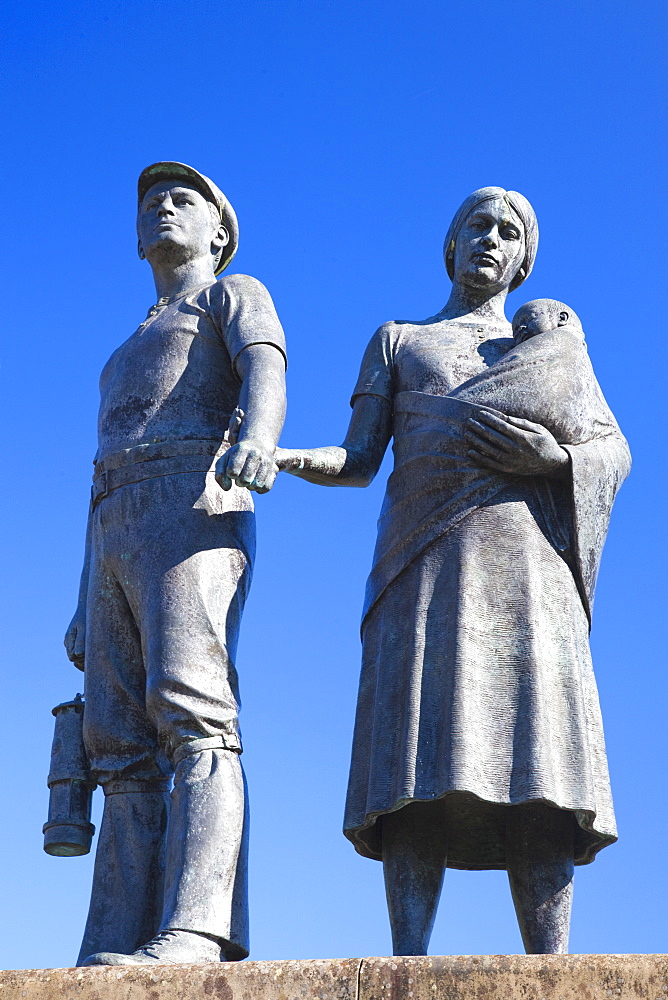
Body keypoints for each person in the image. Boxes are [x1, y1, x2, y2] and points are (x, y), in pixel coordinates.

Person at [272, 188, 630, 955]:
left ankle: (552, 968)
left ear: (525, 259)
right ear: (451, 243)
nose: (491, 240)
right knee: (415, 763)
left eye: (509, 232)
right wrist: (284, 456)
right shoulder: (400, 341)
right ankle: (408, 961)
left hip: (531, 570)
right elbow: (359, 458)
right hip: (421, 564)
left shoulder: (554, 350)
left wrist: (557, 460)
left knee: (539, 763)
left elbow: (613, 448)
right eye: (478, 226)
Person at [64, 161, 287, 966]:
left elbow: (265, 364)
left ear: (219, 232)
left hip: (193, 501)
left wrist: (259, 436)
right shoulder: (125, 347)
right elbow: (101, 467)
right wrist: (82, 599)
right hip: (114, 524)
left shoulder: (233, 293)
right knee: (117, 744)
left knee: (194, 714)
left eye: (184, 198)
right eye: (151, 200)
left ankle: (197, 927)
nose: (163, 206)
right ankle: (114, 937)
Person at [512, 298, 583, 343]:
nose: (521, 327)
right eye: (515, 331)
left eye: (529, 319)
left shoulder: (565, 341)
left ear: (561, 318)